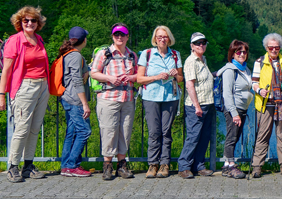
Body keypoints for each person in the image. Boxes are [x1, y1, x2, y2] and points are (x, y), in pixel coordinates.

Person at [0, 6, 50, 183]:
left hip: (42, 86)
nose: (30, 23)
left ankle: (28, 165)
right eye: (26, 20)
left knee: (34, 129)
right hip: (25, 87)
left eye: (33, 20)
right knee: (22, 128)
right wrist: (1, 94)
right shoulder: (15, 41)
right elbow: (6, 70)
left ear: (38, 23)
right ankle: (13, 166)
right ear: (20, 22)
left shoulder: (38, 39)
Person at [89, 23, 138, 180]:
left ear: (127, 37)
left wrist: (131, 78)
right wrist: (110, 78)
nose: (119, 37)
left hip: (128, 99)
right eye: (116, 34)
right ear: (112, 36)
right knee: (109, 131)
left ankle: (122, 164)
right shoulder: (104, 53)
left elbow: (139, 75)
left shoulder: (132, 55)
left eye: (122, 34)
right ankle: (107, 165)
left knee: (125, 132)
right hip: (108, 98)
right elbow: (93, 73)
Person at [137, 26, 184, 178]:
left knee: (166, 132)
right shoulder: (147, 54)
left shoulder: (176, 55)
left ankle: (165, 164)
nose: (162, 39)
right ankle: (152, 164)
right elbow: (139, 78)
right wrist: (157, 77)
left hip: (170, 97)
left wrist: (176, 74)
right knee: (154, 132)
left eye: (165, 37)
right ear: (155, 39)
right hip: (151, 97)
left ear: (169, 39)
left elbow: (181, 79)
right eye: (159, 37)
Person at [252, 33, 282, 178]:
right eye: (271, 47)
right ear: (266, 48)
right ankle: (257, 165)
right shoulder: (259, 62)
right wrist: (259, 90)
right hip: (265, 103)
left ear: (280, 47)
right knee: (263, 135)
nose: (274, 50)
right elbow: (254, 82)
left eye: (276, 47)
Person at [178, 32, 216, 179]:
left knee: (204, 137)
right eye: (197, 43)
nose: (201, 45)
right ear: (192, 46)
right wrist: (197, 106)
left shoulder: (203, 60)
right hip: (196, 106)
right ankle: (184, 166)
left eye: (203, 42)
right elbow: (189, 85)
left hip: (208, 103)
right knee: (193, 136)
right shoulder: (191, 61)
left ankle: (198, 165)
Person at [216, 39, 254, 179]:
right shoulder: (230, 70)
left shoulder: (245, 69)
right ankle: (230, 165)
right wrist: (234, 113)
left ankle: (227, 165)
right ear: (232, 53)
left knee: (235, 136)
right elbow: (227, 94)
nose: (242, 54)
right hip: (234, 109)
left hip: (242, 109)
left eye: (244, 51)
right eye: (239, 51)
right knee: (231, 137)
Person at [58, 26, 92, 177]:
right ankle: (71, 166)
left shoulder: (68, 54)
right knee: (84, 131)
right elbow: (77, 81)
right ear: (83, 40)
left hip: (66, 97)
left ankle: (66, 165)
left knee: (71, 132)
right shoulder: (76, 56)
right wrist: (85, 103)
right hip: (75, 100)